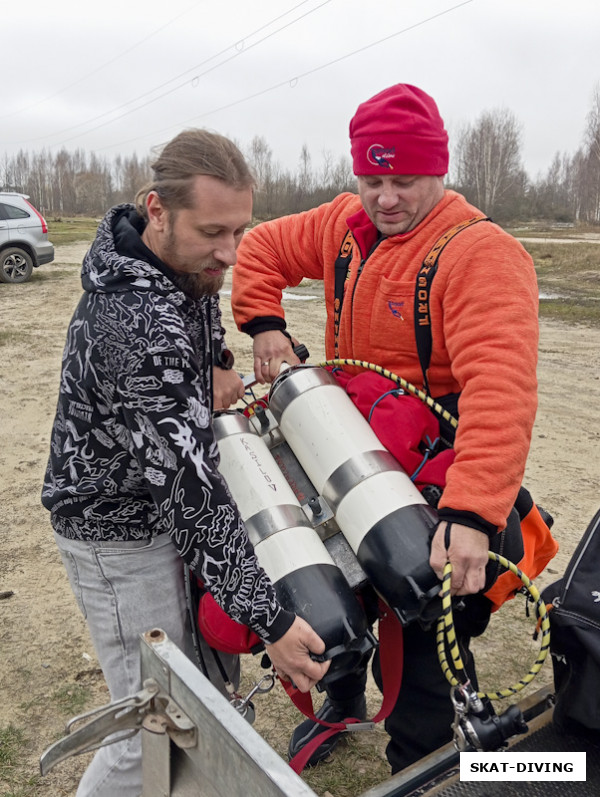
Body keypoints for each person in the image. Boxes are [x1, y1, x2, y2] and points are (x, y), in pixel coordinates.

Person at [231, 84, 539, 772]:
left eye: (404, 179)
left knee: (425, 630)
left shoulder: (478, 253)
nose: (386, 197)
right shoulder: (342, 227)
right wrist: (266, 322)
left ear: (440, 170)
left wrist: (474, 510)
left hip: (433, 480)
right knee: (328, 590)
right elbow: (260, 250)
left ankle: (420, 763)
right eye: (372, 179)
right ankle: (340, 692)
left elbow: (502, 385)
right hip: (341, 454)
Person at [41, 128, 329, 797]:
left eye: (240, 230)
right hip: (115, 534)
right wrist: (275, 621)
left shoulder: (171, 264)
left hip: (159, 510)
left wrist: (220, 359)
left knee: (196, 704)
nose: (228, 254)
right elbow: (194, 497)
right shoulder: (133, 324)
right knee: (153, 725)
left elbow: (199, 318)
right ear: (158, 209)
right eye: (212, 232)